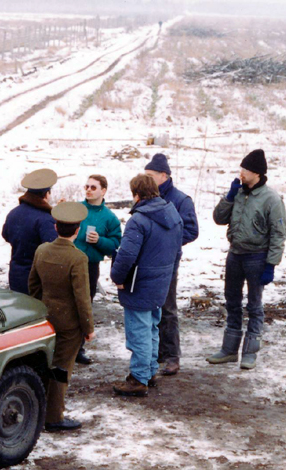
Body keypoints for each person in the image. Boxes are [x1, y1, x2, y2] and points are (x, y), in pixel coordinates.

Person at [207, 149, 286, 370]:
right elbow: (218, 218)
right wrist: (229, 197)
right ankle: (229, 350)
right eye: (241, 168)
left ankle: (250, 352)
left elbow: (278, 233)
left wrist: (271, 264)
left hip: (257, 257)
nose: (241, 173)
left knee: (254, 305)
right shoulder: (238, 193)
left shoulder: (271, 199)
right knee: (232, 301)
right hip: (235, 254)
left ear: (257, 174)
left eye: (245, 170)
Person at [110, 174, 183, 396]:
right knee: (151, 328)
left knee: (139, 331)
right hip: (160, 281)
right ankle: (149, 371)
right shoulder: (173, 215)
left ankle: (138, 379)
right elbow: (177, 251)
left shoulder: (138, 220)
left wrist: (117, 277)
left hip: (139, 284)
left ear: (137, 195)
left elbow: (127, 255)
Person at [28, 202, 94, 431]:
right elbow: (82, 298)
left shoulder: (42, 250)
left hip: (45, 317)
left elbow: (33, 285)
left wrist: (39, 311)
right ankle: (53, 416)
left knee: (44, 364)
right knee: (61, 368)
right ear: (78, 230)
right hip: (69, 324)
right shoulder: (78, 258)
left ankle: (37, 409)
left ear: (56, 227)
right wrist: (88, 328)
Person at [144, 153, 199, 376]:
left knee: (167, 308)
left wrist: (166, 240)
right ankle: (155, 352)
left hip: (167, 262)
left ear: (164, 176)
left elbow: (191, 230)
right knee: (149, 307)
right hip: (147, 261)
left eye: (150, 175)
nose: (146, 180)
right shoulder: (146, 197)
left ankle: (172, 356)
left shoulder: (180, 200)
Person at [72, 174, 122, 365]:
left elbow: (117, 244)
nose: (89, 190)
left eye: (93, 187)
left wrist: (100, 241)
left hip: (89, 266)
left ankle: (78, 349)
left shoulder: (109, 217)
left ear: (104, 191)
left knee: (84, 306)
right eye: (87, 186)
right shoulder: (76, 209)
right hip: (68, 262)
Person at [2, 168, 58, 293]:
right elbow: (52, 248)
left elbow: (6, 235)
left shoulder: (13, 213)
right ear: (46, 194)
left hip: (15, 273)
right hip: (36, 278)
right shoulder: (45, 219)